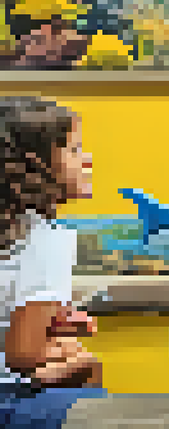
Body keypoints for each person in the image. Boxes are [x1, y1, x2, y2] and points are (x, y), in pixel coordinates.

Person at [0, 97, 107, 429]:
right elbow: (23, 355)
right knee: (94, 386)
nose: (87, 159)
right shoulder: (43, 237)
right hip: (7, 395)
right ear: (35, 164)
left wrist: (48, 328)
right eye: (74, 150)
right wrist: (61, 352)